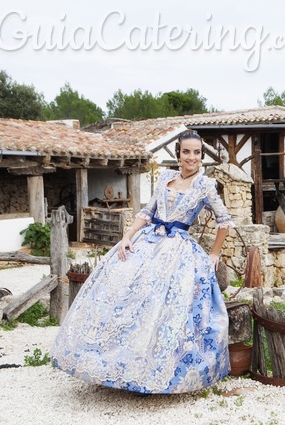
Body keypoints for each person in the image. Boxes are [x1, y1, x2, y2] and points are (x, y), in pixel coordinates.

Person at [51, 130, 234, 394]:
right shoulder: (165, 178)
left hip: (177, 249)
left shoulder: (205, 185)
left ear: (201, 155)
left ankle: (159, 370)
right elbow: (148, 212)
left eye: (196, 152)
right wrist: (127, 236)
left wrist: (214, 254)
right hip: (149, 241)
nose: (191, 157)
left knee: (168, 306)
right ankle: (112, 363)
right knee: (122, 290)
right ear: (178, 153)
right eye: (186, 152)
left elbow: (224, 221)